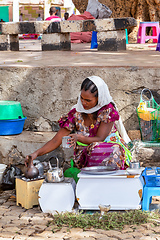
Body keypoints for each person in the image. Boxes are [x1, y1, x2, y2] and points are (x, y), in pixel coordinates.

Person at [25, 76, 131, 170]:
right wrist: (36, 154)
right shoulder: (76, 113)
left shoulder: (107, 111)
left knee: (106, 151)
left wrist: (79, 138)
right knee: (93, 150)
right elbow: (56, 140)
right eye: (82, 98)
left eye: (88, 100)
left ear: (99, 99)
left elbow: (100, 139)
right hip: (86, 156)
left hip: (111, 152)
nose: (83, 103)